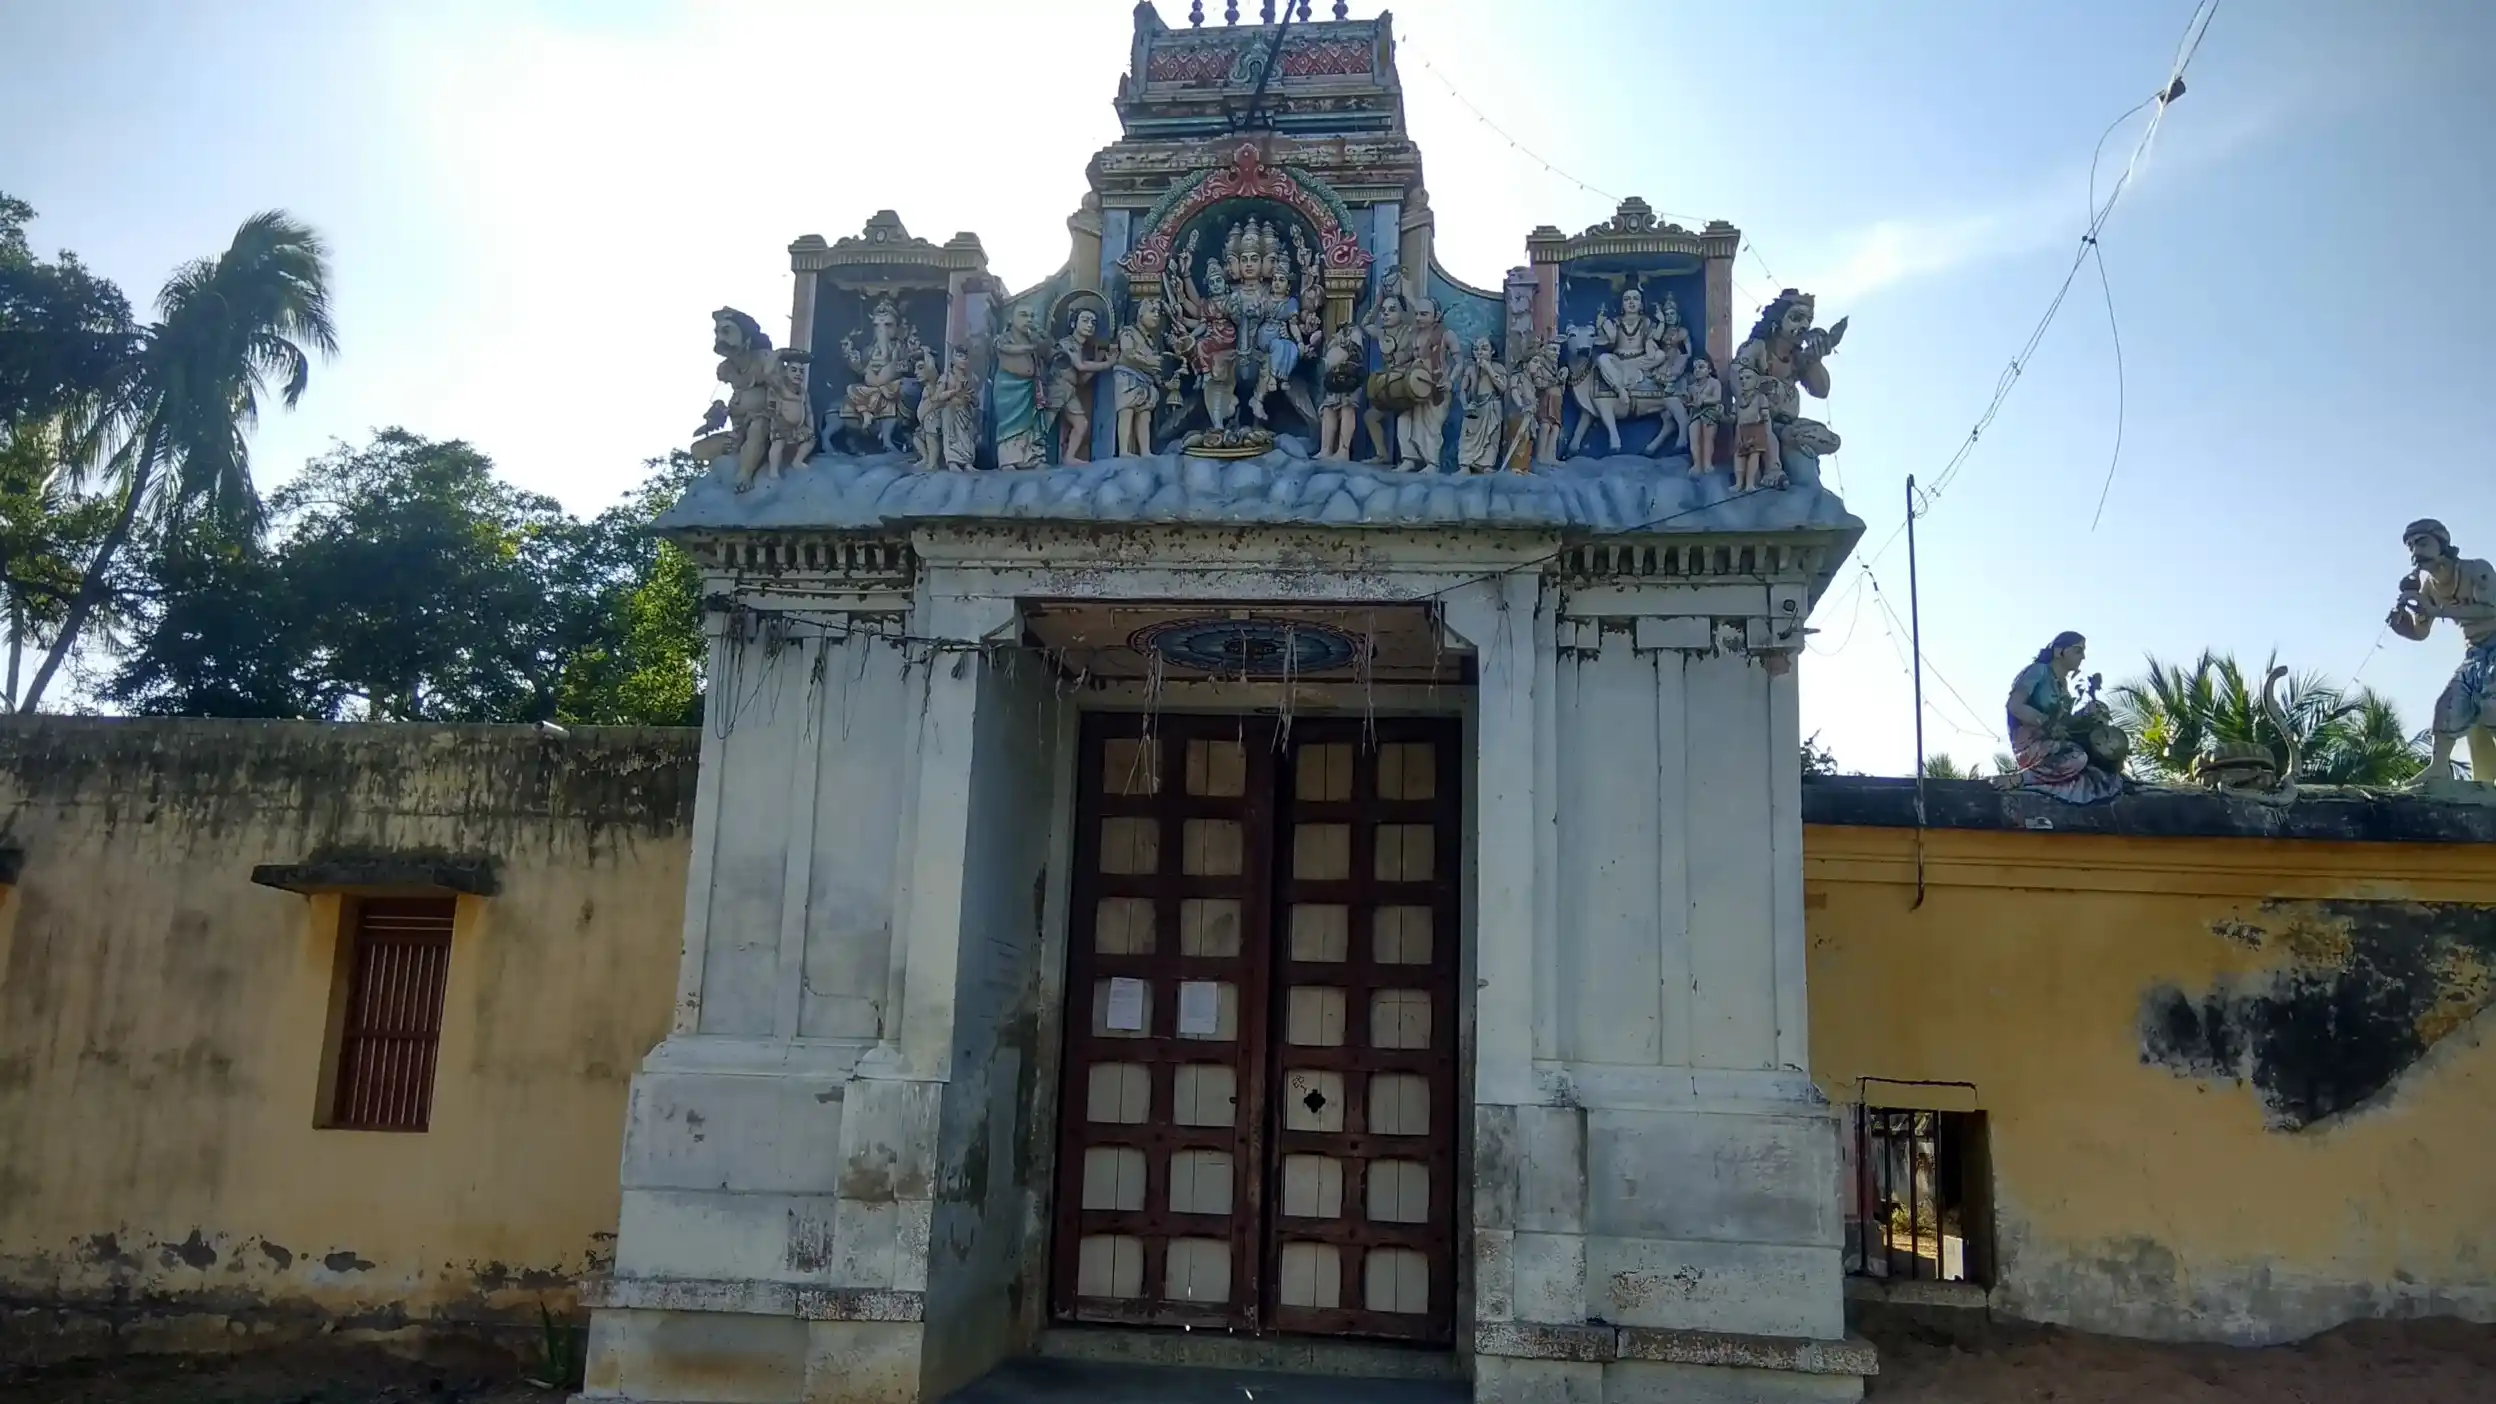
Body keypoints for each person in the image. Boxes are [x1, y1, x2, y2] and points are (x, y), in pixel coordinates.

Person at [2387, 518, 2496, 784]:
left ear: (2442, 544)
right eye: (2411, 545)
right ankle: (2438, 767)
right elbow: (2421, 632)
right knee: (2448, 705)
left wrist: (2440, 610)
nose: (2416, 550)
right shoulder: (2429, 588)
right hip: (2475, 654)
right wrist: (2403, 628)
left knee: (2493, 704)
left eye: (2422, 542)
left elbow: (2493, 608)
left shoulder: (2476, 570)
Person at [2004, 632, 2125, 803]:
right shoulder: (2038, 671)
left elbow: (2064, 724)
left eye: (2083, 651)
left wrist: (2086, 714)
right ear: (2059, 651)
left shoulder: (2064, 686)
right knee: (2077, 758)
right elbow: (2014, 706)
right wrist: (2046, 723)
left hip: (2053, 743)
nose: (2082, 657)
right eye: (2077, 650)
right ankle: (2021, 779)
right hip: (2030, 745)